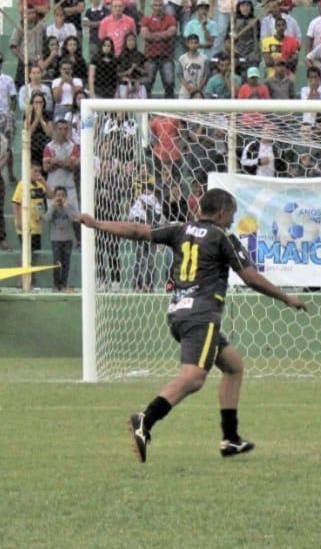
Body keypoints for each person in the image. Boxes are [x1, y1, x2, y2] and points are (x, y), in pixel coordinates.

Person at [79, 188, 307, 462]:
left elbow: (138, 231)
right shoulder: (223, 237)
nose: (233, 221)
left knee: (233, 366)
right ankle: (145, 419)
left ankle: (231, 439)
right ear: (222, 212)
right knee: (194, 378)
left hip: (178, 313)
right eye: (232, 215)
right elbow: (250, 278)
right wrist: (286, 298)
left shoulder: (180, 229)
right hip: (202, 315)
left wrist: (97, 224)